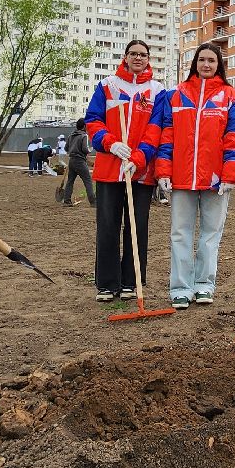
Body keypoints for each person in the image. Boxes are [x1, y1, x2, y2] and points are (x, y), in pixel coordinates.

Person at [145, 43, 235, 309]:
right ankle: (180, 287)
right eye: (202, 60)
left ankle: (204, 285)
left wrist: (230, 174)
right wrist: (163, 170)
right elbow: (167, 135)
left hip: (215, 180)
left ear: (219, 64)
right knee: (180, 233)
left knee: (211, 234)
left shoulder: (231, 97)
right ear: (195, 63)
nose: (206, 65)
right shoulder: (175, 95)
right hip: (181, 177)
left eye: (211, 60)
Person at [85, 39, 163, 302]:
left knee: (136, 226)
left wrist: (140, 157)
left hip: (140, 171)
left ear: (149, 58)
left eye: (143, 54)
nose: (138, 58)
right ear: (125, 57)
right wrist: (110, 143)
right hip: (109, 168)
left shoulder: (157, 91)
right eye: (133, 54)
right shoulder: (108, 86)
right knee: (107, 225)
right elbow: (93, 121)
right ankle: (107, 283)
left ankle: (132, 281)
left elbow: (156, 130)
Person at [58, 118, 94, 206]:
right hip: (80, 161)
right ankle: (93, 201)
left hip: (72, 161)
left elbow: (66, 148)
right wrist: (90, 150)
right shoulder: (84, 136)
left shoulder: (71, 136)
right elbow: (85, 149)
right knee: (88, 180)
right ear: (84, 126)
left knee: (70, 181)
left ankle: (67, 200)